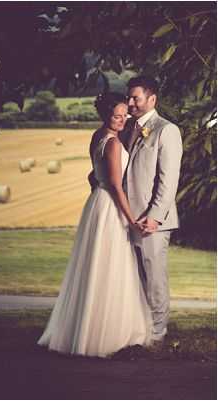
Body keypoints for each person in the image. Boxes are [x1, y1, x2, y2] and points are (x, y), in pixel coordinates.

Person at [37, 92, 153, 358]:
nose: (123, 120)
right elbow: (114, 185)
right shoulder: (112, 143)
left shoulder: (97, 136)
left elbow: (94, 175)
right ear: (105, 115)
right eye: (117, 116)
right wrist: (132, 220)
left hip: (96, 203)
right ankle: (108, 335)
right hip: (109, 205)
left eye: (125, 114)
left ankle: (88, 330)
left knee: (97, 266)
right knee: (111, 266)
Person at [122, 76, 183, 344]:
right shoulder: (127, 129)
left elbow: (168, 180)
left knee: (154, 277)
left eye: (136, 97)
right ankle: (137, 329)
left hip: (152, 221)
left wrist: (155, 217)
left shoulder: (166, 130)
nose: (130, 103)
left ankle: (158, 333)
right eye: (129, 98)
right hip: (126, 216)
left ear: (152, 99)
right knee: (132, 278)